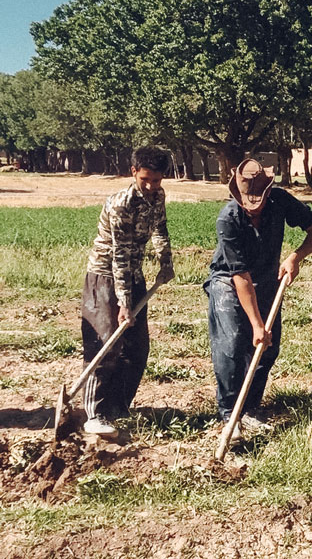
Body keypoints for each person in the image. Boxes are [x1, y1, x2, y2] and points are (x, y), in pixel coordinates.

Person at [205, 158, 312, 438]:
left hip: (267, 276)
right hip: (229, 280)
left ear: (269, 191)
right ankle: (230, 414)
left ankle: (251, 408)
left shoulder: (281, 201)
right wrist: (257, 324)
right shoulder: (228, 218)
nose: (253, 208)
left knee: (268, 346)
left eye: (258, 201)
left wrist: (296, 257)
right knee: (234, 344)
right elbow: (240, 276)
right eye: (248, 202)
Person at [82, 146, 175, 437]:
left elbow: (160, 227)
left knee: (136, 347)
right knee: (106, 344)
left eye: (156, 180)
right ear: (134, 172)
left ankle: (118, 406)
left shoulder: (158, 196)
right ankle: (94, 413)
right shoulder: (120, 204)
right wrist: (123, 303)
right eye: (145, 179)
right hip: (106, 277)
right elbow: (119, 256)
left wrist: (165, 261)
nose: (150, 186)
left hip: (134, 276)